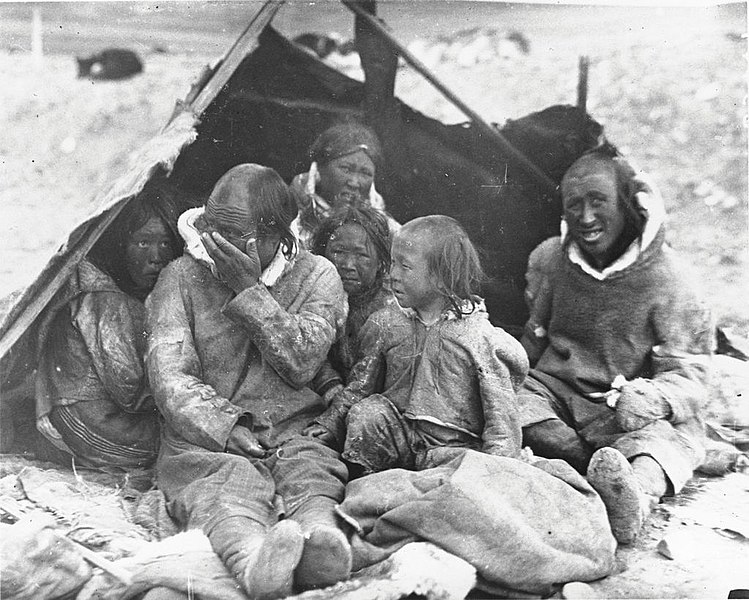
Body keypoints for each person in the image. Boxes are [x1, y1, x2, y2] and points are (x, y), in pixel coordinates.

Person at [146, 164, 351, 599]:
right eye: (210, 224)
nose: (212, 240)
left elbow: (302, 361)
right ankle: (254, 561)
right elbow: (169, 376)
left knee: (312, 476)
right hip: (205, 440)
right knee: (222, 489)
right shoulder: (180, 277)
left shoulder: (318, 276)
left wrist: (249, 290)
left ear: (274, 235)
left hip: (293, 430)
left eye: (230, 232)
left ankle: (320, 544)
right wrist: (225, 425)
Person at [517, 144, 713, 544]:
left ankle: (634, 498)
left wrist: (654, 398)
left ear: (626, 204)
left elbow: (691, 373)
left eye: (598, 202)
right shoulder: (551, 261)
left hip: (624, 408)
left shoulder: (671, 279)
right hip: (561, 396)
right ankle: (585, 464)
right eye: (574, 205)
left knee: (660, 444)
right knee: (513, 404)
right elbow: (532, 342)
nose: (586, 218)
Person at [312, 215, 529, 469]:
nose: (392, 274)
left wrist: (494, 471)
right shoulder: (386, 323)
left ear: (440, 277)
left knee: (466, 478)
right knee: (367, 413)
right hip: (398, 438)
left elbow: (501, 425)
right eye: (392, 263)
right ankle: (367, 481)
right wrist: (329, 424)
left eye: (404, 266)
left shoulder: (478, 339)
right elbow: (360, 387)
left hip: (453, 452)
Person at [34, 186, 181, 469]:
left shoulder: (111, 290)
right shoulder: (106, 300)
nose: (156, 256)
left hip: (77, 412)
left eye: (165, 244)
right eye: (143, 243)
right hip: (91, 422)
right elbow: (131, 390)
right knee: (186, 442)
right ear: (121, 246)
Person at [291, 121, 399, 249]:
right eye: (346, 169)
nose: (354, 183)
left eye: (365, 173)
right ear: (320, 168)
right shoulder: (290, 213)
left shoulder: (387, 228)